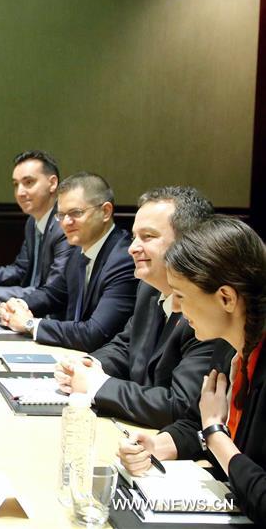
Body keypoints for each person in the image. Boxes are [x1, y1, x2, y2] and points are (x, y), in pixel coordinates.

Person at [117, 216, 266, 523]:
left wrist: (215, 434)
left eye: (182, 297)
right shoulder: (227, 345)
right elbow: (196, 422)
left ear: (226, 297)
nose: (177, 310)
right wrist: (159, 445)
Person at [55, 186, 214, 428]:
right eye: (133, 237)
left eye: (148, 237)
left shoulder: (210, 309)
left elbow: (179, 405)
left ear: (189, 242)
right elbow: (126, 344)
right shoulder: (149, 288)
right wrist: (90, 365)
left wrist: (96, 385)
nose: (132, 248)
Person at [0, 172, 138, 352]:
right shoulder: (79, 250)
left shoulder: (124, 260)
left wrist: (29, 324)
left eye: (75, 213)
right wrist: (18, 306)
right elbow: (53, 294)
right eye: (61, 215)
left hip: (101, 366)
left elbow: (95, 334)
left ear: (105, 211)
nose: (66, 222)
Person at [0, 150, 71, 306]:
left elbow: (51, 292)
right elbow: (21, 269)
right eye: (16, 184)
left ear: (52, 183)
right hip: (26, 310)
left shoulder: (65, 226)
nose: (20, 192)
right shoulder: (32, 222)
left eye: (28, 182)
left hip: (50, 320)